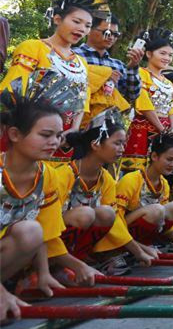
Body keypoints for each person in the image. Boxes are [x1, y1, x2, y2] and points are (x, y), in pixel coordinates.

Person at [0, 71, 81, 321]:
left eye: (58, 136)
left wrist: (44, 272)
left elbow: (45, 230)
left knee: (31, 231)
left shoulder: (47, 174)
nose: (55, 142)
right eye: (45, 135)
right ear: (14, 134)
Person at [0, 0, 107, 164]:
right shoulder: (33, 47)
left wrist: (73, 129)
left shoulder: (81, 62)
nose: (82, 29)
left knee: (55, 183)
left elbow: (82, 98)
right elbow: (12, 89)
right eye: (76, 21)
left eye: (87, 25)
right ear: (57, 19)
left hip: (64, 137)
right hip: (30, 129)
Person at [60, 109, 154, 275]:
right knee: (86, 214)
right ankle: (59, 264)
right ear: (96, 144)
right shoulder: (64, 174)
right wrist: (138, 251)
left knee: (107, 213)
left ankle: (84, 258)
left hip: (76, 242)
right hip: (52, 242)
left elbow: (115, 220)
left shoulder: (106, 179)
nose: (122, 149)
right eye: (117, 143)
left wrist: (138, 250)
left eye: (123, 144)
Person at [113, 134, 173, 254]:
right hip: (121, 233)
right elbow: (117, 220)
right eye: (169, 159)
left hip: (142, 234)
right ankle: (133, 248)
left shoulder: (164, 184)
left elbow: (164, 223)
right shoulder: (131, 179)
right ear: (154, 156)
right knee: (157, 210)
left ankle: (149, 244)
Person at [119, 29, 173, 175]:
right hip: (143, 129)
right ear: (148, 54)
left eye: (170, 55)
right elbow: (144, 104)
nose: (167, 58)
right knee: (136, 172)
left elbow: (172, 106)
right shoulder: (140, 73)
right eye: (162, 53)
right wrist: (161, 128)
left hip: (164, 132)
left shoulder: (168, 82)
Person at [74, 13, 143, 104]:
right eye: (107, 33)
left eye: (116, 34)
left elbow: (132, 96)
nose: (112, 37)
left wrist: (133, 67)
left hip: (107, 116)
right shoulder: (73, 55)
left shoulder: (118, 65)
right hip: (77, 113)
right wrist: (102, 76)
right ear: (89, 30)